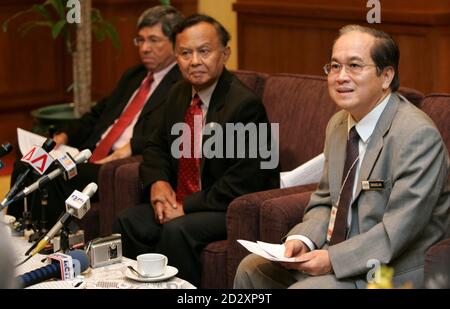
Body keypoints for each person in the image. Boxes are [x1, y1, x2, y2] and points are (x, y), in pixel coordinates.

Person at [234, 25, 449, 289]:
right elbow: (325, 199)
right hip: (337, 251)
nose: (340, 77)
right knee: (251, 269)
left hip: (388, 267)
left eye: (355, 66)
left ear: (386, 76)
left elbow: (398, 231)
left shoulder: (416, 135)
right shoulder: (339, 124)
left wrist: (332, 259)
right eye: (335, 66)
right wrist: (303, 240)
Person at [113, 14, 279, 286]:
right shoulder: (179, 93)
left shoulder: (244, 106)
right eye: (185, 53)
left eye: (204, 51)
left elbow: (244, 182)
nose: (194, 62)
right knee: (128, 220)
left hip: (224, 205)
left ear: (224, 53)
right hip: (185, 198)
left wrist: (185, 206)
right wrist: (157, 182)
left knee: (177, 230)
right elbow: (155, 144)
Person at [7, 5, 183, 229]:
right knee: (28, 163)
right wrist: (64, 136)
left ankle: (45, 243)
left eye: (154, 40)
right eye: (140, 40)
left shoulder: (180, 85)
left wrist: (121, 152)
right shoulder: (134, 75)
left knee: (51, 174)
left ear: (175, 42)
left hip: (113, 165)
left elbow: (163, 133)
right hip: (87, 155)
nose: (145, 48)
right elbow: (97, 115)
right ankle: (11, 235)